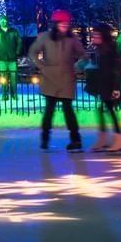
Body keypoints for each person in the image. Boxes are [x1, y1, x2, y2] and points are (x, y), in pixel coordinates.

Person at [28, 9, 86, 152]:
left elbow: (84, 56)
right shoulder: (46, 37)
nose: (65, 26)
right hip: (50, 79)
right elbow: (32, 52)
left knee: (68, 111)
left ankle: (75, 139)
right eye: (62, 23)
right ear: (55, 24)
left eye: (67, 23)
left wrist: (76, 67)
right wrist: (41, 66)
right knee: (49, 111)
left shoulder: (72, 39)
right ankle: (45, 138)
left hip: (67, 79)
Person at [88, 23, 121, 153]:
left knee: (109, 111)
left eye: (97, 34)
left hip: (111, 86)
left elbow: (117, 69)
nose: (94, 37)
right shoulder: (100, 49)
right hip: (104, 85)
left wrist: (116, 88)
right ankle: (104, 139)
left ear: (103, 35)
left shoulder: (111, 49)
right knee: (102, 110)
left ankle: (119, 140)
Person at [0, 15, 21, 101]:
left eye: (5, 20)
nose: (3, 22)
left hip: (12, 59)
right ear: (0, 22)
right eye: (2, 20)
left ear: (7, 21)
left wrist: (17, 53)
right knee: (3, 78)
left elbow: (19, 42)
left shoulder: (14, 31)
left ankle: (14, 94)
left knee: (14, 78)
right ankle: (4, 94)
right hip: (1, 59)